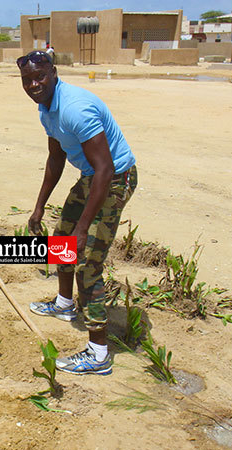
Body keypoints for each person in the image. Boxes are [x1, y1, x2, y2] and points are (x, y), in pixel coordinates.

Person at [17, 50, 138, 375]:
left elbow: (106, 168)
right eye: (27, 80)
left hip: (114, 179)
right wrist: (39, 206)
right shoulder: (46, 109)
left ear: (54, 73)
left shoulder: (74, 109)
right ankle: (64, 305)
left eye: (39, 77)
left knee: (86, 262)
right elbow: (56, 159)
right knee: (61, 242)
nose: (34, 84)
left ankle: (98, 354)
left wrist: (83, 228)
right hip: (92, 177)